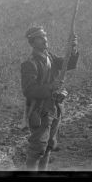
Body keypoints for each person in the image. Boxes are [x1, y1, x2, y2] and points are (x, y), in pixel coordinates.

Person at [21, 26, 79, 171]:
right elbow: (29, 90)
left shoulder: (50, 56)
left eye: (45, 36)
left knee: (49, 146)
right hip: (40, 111)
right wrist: (52, 87)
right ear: (33, 42)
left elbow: (69, 64)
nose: (45, 40)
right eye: (40, 38)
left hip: (55, 108)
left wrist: (72, 48)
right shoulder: (29, 63)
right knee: (37, 150)